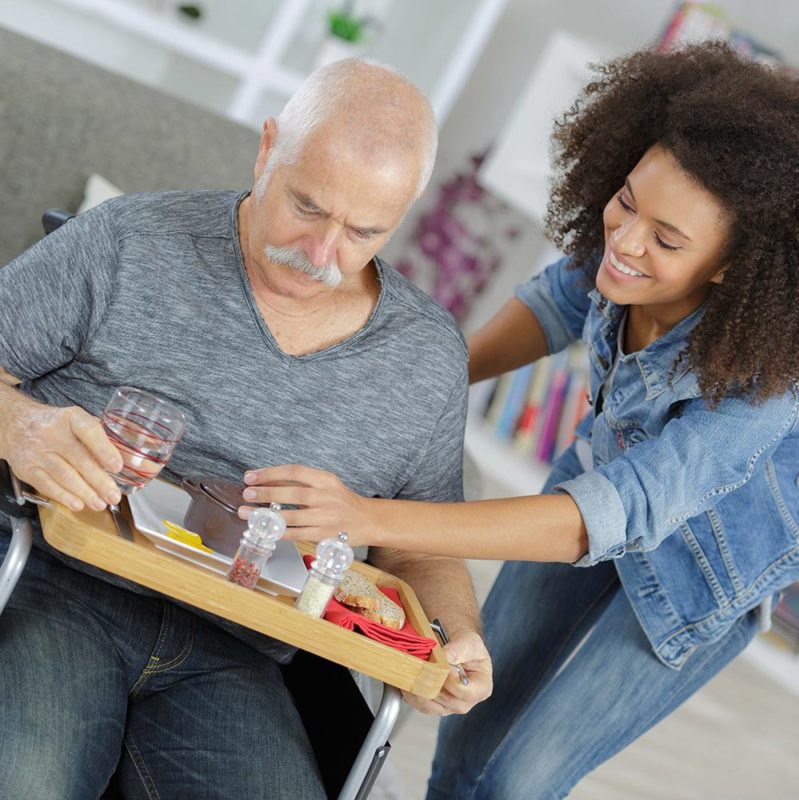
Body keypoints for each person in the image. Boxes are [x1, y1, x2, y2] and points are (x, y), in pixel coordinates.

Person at [244, 43, 799, 798]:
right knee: (464, 735)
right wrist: (400, 387)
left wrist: (367, 515)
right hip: (600, 483)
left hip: (701, 574)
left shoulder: (764, 383)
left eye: (667, 241)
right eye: (627, 201)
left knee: (515, 779)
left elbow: (602, 519)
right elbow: (553, 306)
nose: (627, 241)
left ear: (733, 265)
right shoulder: (623, 248)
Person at [0, 58, 492, 799]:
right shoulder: (131, 241)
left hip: (240, 646)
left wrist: (451, 640)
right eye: (306, 206)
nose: (320, 256)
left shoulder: (423, 358)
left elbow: (419, 544)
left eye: (363, 232)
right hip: (60, 581)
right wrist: (22, 427)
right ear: (267, 150)